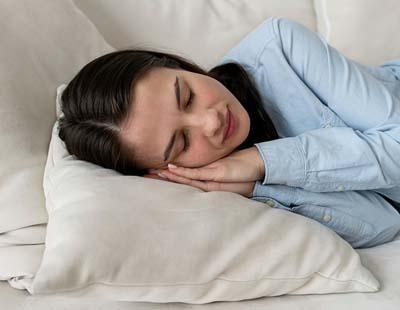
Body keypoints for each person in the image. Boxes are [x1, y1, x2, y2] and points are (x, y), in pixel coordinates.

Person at [58, 17, 400, 248]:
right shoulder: (229, 189)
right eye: (182, 143)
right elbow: (386, 221)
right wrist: (256, 183)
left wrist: (266, 159)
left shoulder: (280, 47)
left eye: (187, 95)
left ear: (175, 65)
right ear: (162, 172)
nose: (210, 122)